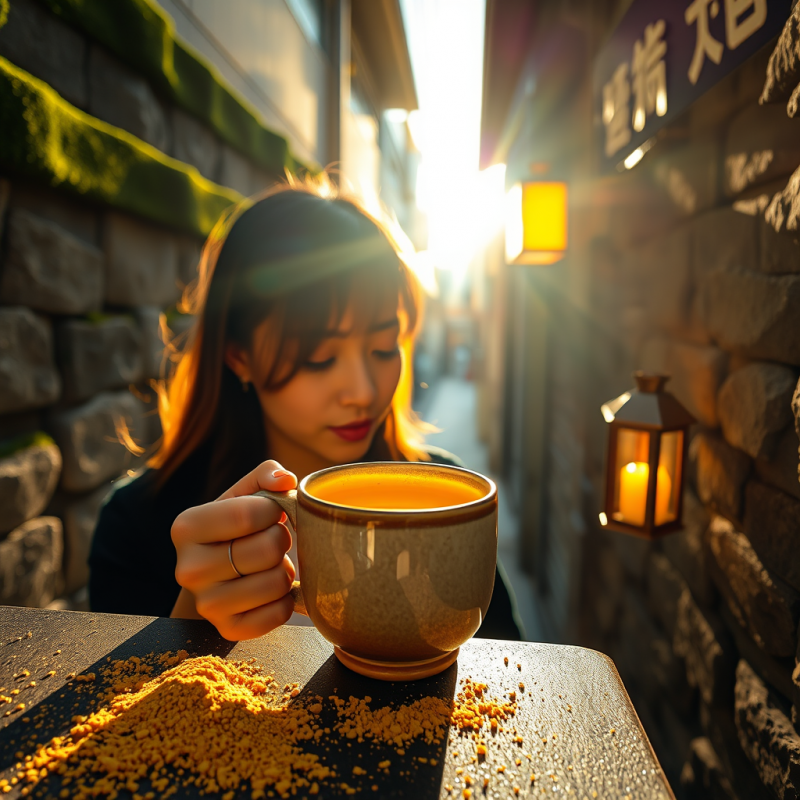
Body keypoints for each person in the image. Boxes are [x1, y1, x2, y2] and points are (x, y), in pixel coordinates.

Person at [89, 178, 522, 643]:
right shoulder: (141, 525)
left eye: (382, 347)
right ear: (239, 355)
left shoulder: (447, 500)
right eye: (318, 357)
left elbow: (511, 670)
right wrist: (193, 613)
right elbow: (121, 707)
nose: (361, 391)